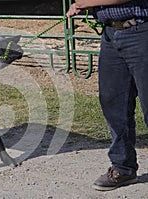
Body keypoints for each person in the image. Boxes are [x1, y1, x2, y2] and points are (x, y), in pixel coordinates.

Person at [66, 0, 148, 191]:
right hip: (111, 34)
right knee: (113, 102)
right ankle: (123, 167)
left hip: (142, 31)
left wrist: (85, 3)